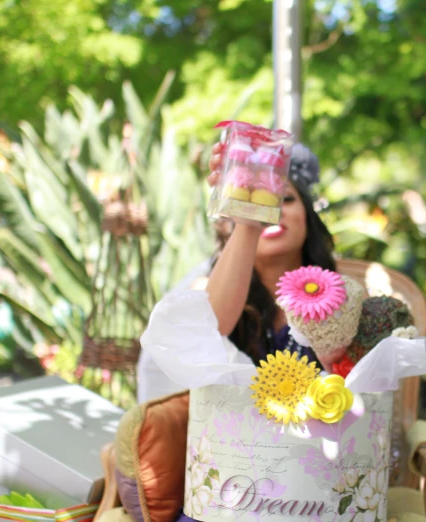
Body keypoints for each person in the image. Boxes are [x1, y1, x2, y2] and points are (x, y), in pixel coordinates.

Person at [136, 141, 337, 403]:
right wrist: (250, 219)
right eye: (267, 200)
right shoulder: (203, 290)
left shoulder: (342, 293)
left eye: (285, 198)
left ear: (308, 216)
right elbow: (213, 327)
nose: (273, 211)